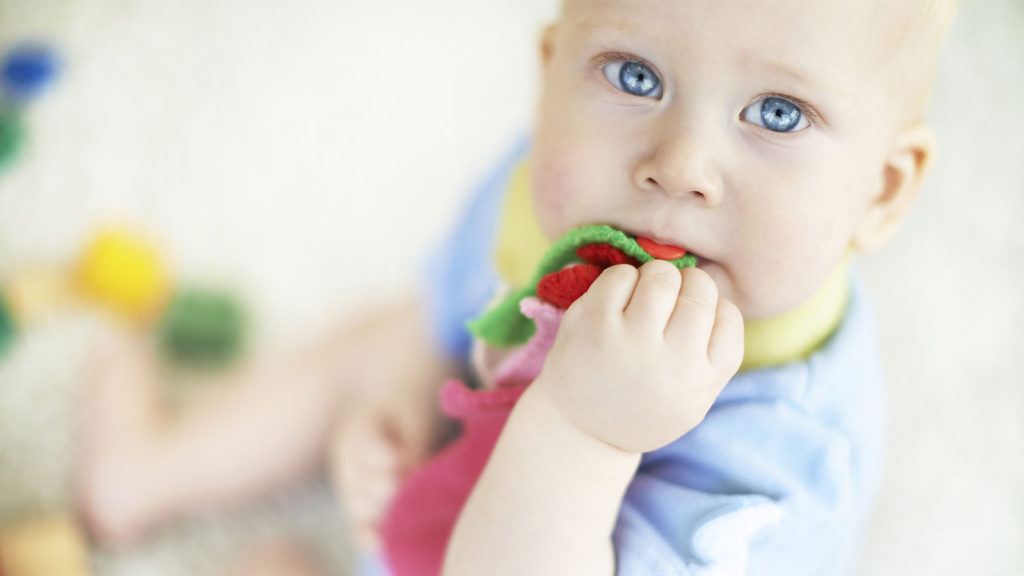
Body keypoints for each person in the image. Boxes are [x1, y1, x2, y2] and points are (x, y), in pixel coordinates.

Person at [74, 1, 958, 574]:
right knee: (384, 337)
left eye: (778, 114)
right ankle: (144, 474)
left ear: (880, 191)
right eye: (636, 76)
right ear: (550, 77)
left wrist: (585, 430)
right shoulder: (561, 196)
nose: (679, 165)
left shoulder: (779, 466)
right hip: (454, 485)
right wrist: (395, 415)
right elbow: (445, 321)